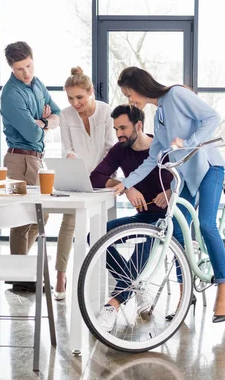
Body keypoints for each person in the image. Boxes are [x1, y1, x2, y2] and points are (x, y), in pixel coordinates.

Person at [112, 66, 225, 323]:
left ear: (140, 86)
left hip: (210, 168)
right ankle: (185, 292)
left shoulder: (176, 94)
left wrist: (189, 143)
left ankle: (223, 288)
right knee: (177, 232)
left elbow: (212, 118)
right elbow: (153, 158)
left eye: (129, 93)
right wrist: (126, 183)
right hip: (188, 176)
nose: (130, 100)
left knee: (207, 224)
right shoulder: (159, 115)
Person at [89, 104, 173, 330]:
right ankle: (135, 285)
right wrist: (126, 187)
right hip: (143, 217)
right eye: (116, 129)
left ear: (138, 125)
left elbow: (188, 179)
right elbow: (95, 177)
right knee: (95, 235)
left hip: (167, 221)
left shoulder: (163, 148)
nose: (119, 134)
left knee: (143, 246)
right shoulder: (120, 149)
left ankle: (112, 305)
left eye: (123, 128)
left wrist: (172, 192)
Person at [0, 41, 60, 293]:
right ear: (11, 68)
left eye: (28, 66)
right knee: (21, 217)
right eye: (19, 69)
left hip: (35, 158)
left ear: (33, 59)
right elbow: (31, 133)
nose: (25, 72)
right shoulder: (11, 94)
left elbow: (58, 115)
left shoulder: (37, 84)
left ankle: (20, 270)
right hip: (19, 159)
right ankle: (20, 274)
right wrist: (45, 124)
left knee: (42, 215)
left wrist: (43, 121)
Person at [54, 66, 116, 300]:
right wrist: (71, 160)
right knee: (68, 224)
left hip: (103, 178)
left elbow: (111, 148)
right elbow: (67, 148)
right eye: (70, 98)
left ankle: (113, 279)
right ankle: (60, 275)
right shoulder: (65, 115)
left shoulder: (106, 112)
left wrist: (102, 176)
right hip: (77, 178)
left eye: (79, 97)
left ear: (90, 92)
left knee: (109, 227)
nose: (75, 103)